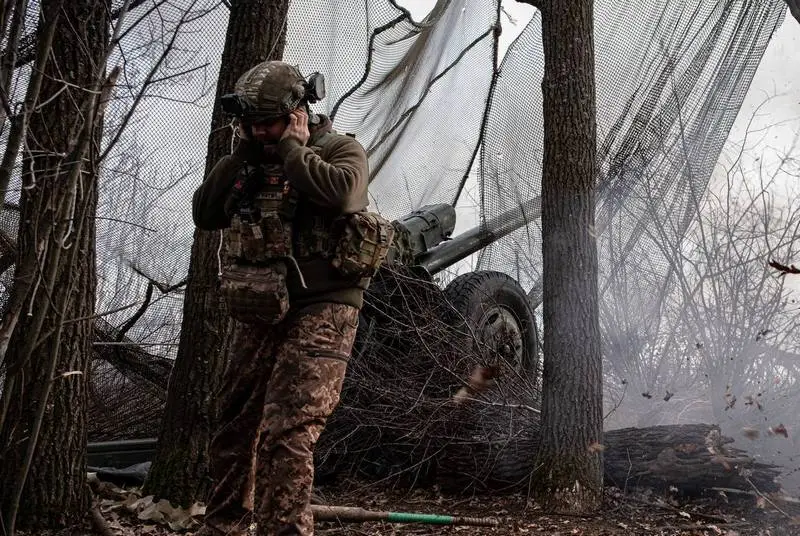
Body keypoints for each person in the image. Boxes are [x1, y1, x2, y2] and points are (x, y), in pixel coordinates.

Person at [192, 60, 379, 536]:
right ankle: (225, 527)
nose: (261, 134)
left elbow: (343, 197)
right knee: (234, 423)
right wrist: (241, 155)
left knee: (289, 431)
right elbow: (206, 213)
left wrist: (294, 149)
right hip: (261, 303)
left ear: (299, 111)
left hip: (325, 304)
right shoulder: (249, 157)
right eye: (251, 125)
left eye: (269, 124)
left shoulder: (340, 149)